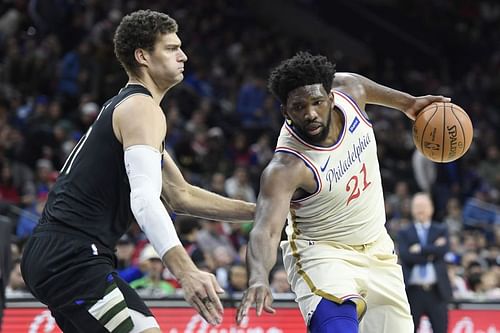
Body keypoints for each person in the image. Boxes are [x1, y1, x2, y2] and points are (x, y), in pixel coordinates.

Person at [21, 10, 255, 333]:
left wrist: (259, 212)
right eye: (172, 48)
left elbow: (179, 194)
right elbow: (144, 201)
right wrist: (185, 271)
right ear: (143, 56)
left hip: (63, 254)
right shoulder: (142, 109)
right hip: (73, 256)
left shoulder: (130, 108)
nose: (183, 55)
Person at [236, 52, 450, 333]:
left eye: (317, 102)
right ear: (285, 112)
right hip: (323, 254)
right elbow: (266, 230)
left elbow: (357, 82)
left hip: (379, 250)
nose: (310, 113)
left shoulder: (349, 91)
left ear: (331, 98)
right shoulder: (286, 167)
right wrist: (259, 277)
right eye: (298, 107)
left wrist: (408, 103)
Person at [397, 192, 452, 333]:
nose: (420, 209)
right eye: (417, 206)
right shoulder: (404, 232)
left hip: (436, 292)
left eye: (423, 206)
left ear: (431, 208)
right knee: (408, 329)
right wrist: (432, 252)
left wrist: (420, 249)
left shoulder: (441, 229)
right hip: (412, 292)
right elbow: (406, 256)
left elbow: (443, 251)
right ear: (411, 209)